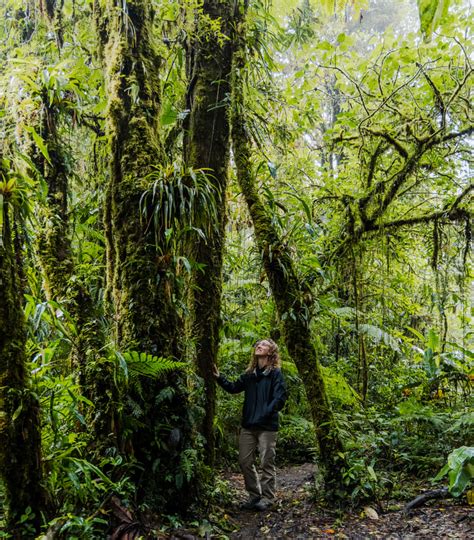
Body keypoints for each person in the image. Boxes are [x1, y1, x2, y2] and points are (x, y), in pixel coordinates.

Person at [213, 339, 287, 511]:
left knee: (266, 462)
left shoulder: (275, 374)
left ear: (271, 352)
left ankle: (268, 498)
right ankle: (254, 495)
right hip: (248, 426)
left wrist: (265, 413)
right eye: (257, 345)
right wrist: (219, 378)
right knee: (244, 461)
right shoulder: (249, 375)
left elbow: (280, 398)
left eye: (263, 345)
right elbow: (233, 388)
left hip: (267, 427)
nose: (258, 346)